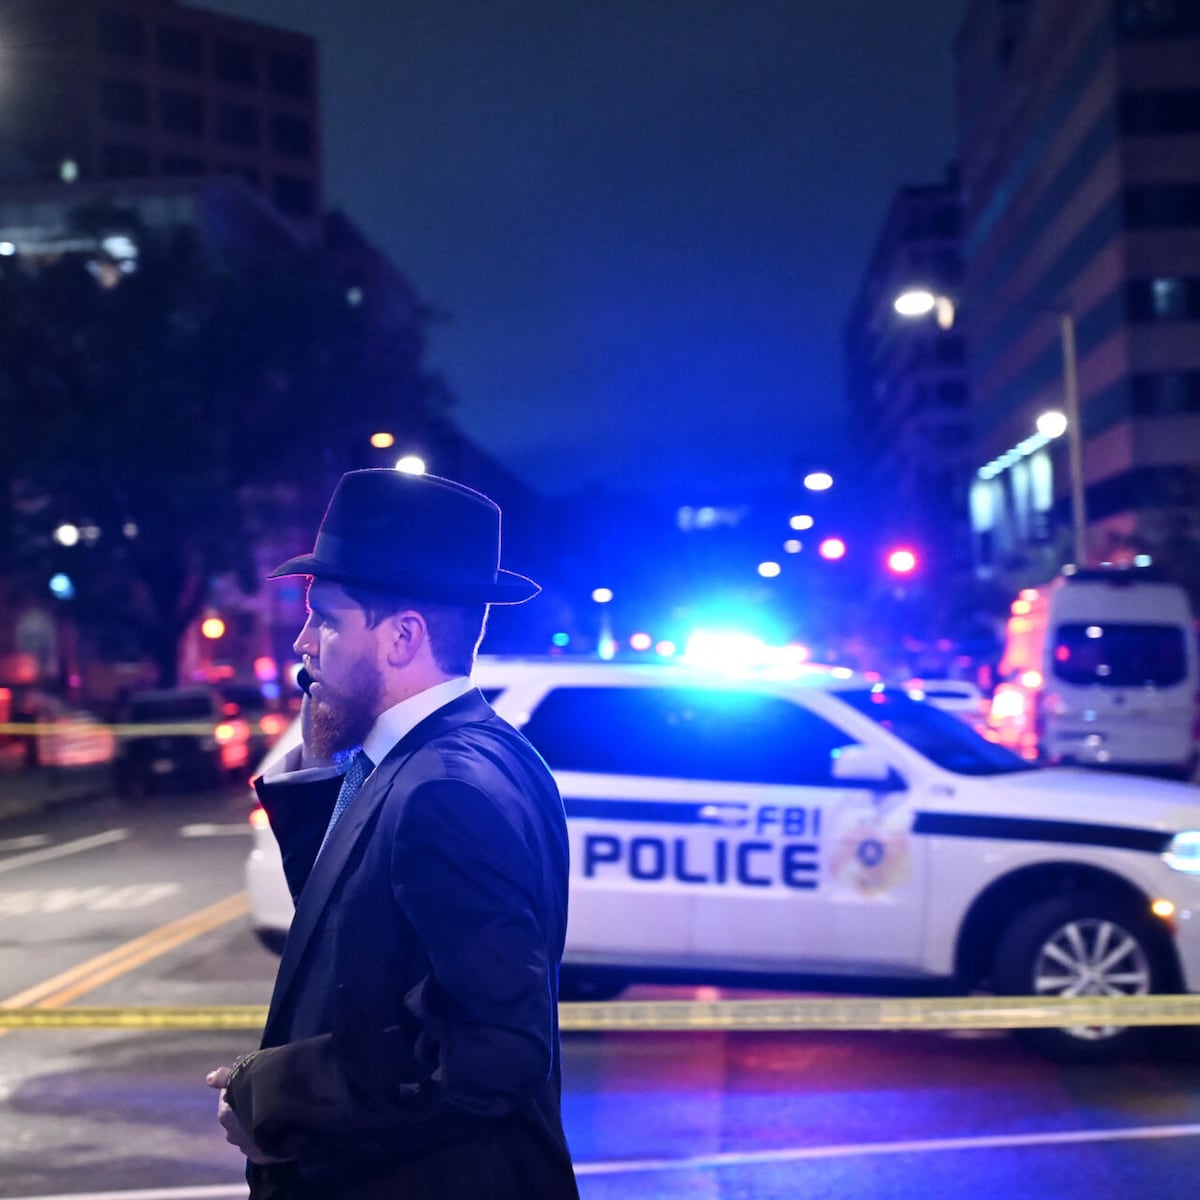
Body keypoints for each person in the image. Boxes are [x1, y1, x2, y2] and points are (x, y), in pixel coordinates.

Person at [206, 468, 579, 1199]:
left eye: (327, 621)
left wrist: (276, 1093)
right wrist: (321, 764)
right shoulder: (469, 751)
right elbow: (363, 945)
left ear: (404, 636)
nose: (303, 643)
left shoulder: (443, 790)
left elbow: (493, 1051)